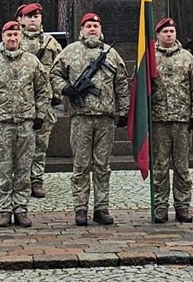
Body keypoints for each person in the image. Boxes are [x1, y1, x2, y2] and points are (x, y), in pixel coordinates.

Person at [49, 12, 130, 226]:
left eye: (95, 25)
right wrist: (65, 89)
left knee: (102, 166)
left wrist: (124, 111)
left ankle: (101, 208)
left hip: (105, 118)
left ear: (100, 29)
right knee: (81, 165)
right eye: (88, 26)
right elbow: (54, 75)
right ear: (81, 29)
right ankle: (81, 209)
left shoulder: (112, 55)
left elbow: (122, 83)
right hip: (81, 117)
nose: (92, 29)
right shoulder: (70, 51)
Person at [0, 18, 52, 227]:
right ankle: (5, 210)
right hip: (3, 124)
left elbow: (43, 90)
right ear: (3, 37)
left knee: (23, 170)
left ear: (21, 37)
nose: (12, 38)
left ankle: (21, 209)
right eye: (9, 35)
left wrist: (40, 115)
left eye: (15, 34)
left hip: (26, 123)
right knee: (4, 170)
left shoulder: (32, 62)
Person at [149, 16, 193, 223]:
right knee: (160, 166)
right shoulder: (150, 58)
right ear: (158, 35)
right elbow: (142, 89)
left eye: (172, 31)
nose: (169, 35)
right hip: (159, 120)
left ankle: (182, 206)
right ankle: (160, 206)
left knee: (182, 167)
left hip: (182, 120)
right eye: (165, 32)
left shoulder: (187, 57)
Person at [16, 2, 61, 197]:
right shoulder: (15, 39)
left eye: (36, 16)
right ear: (21, 20)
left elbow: (59, 70)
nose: (33, 20)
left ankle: (37, 180)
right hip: (20, 102)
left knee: (41, 143)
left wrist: (57, 95)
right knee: (21, 144)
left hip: (44, 102)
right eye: (29, 16)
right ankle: (21, 179)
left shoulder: (51, 43)